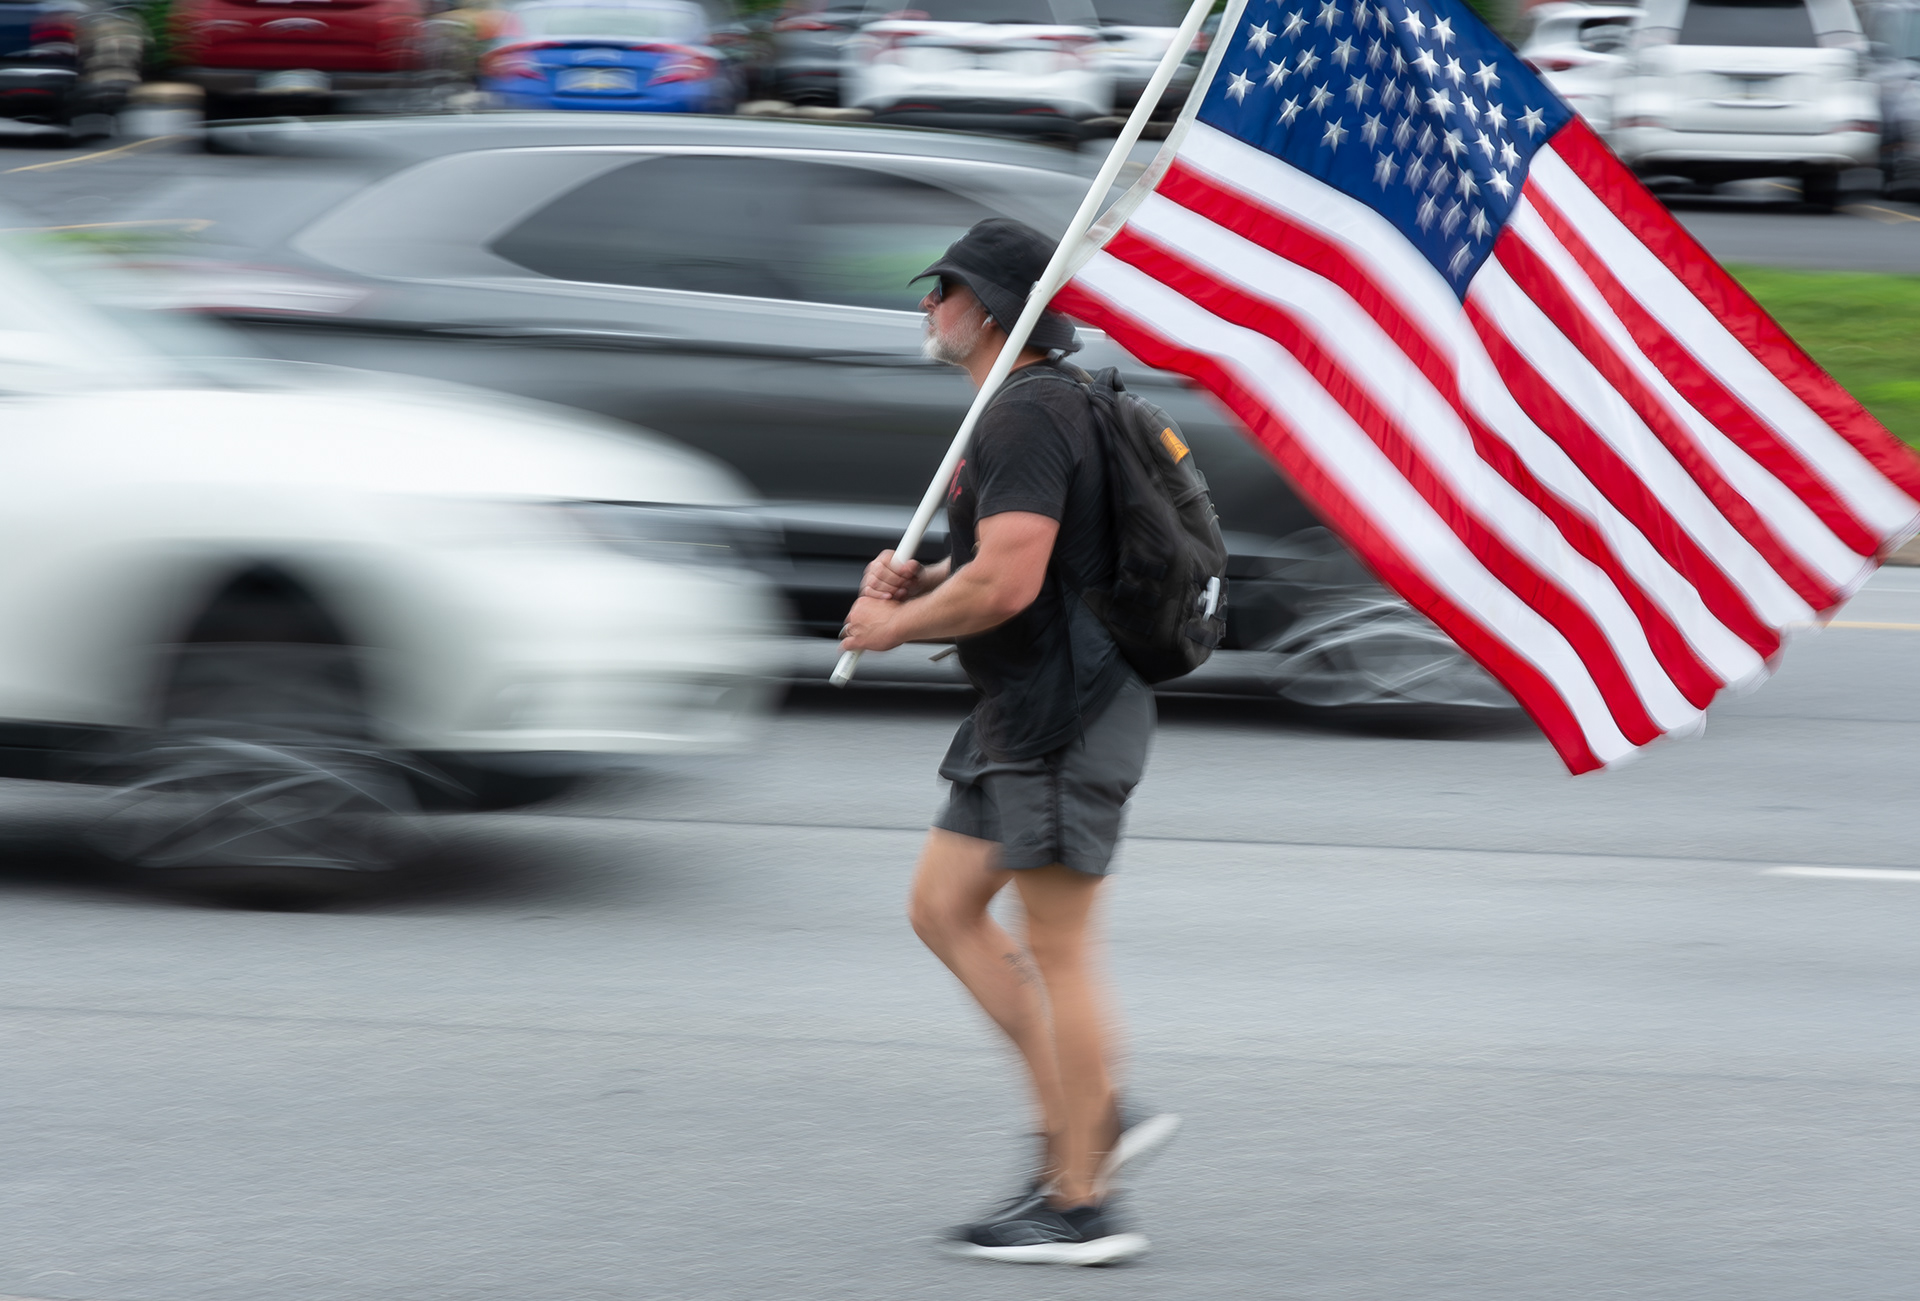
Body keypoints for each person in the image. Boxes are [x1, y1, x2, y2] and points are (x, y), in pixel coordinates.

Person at [838, 219, 1177, 1266]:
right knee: (941, 906)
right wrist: (926, 584)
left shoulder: (1026, 411)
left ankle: (1081, 1200)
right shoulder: (1026, 406)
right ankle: (1096, 1109)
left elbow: (1013, 580)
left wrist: (894, 625)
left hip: (1066, 714)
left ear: (986, 307)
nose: (927, 307)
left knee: (1061, 947)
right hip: (1022, 706)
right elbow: (1009, 570)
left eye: (940, 290)